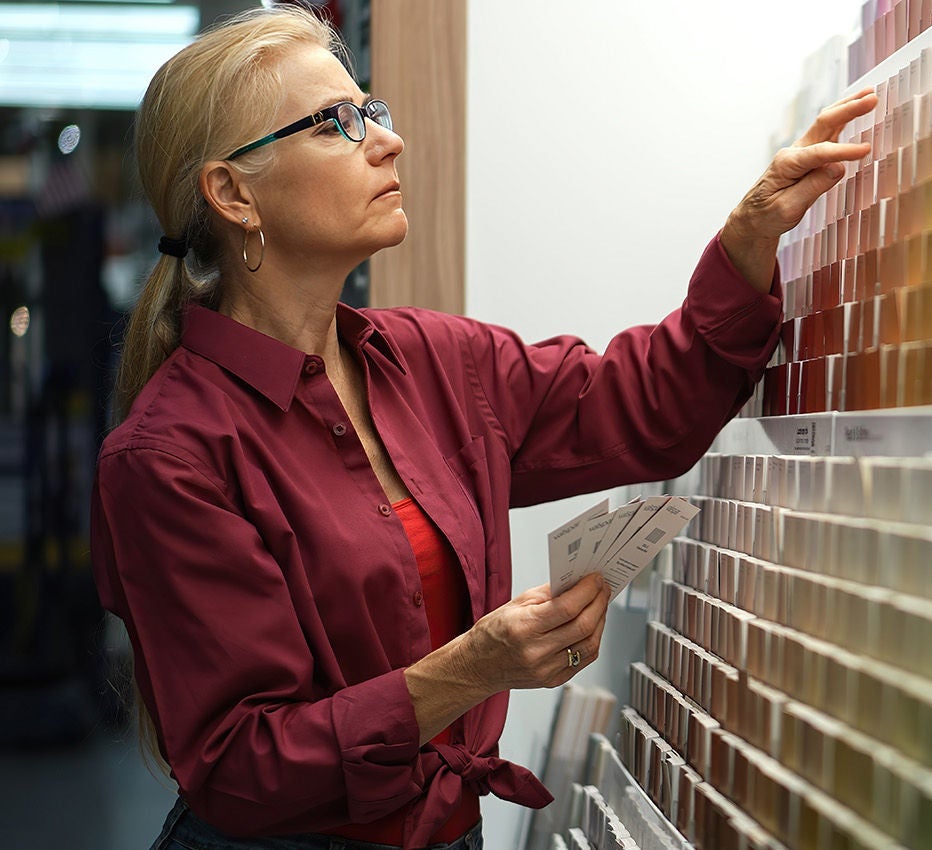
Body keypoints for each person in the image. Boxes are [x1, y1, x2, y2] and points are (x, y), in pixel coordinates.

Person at [90, 8, 874, 849]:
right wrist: (470, 671)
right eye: (337, 124)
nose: (386, 143)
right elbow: (243, 764)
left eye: (374, 111)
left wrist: (750, 238)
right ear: (234, 194)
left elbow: (645, 407)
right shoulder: (167, 458)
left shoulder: (436, 361)